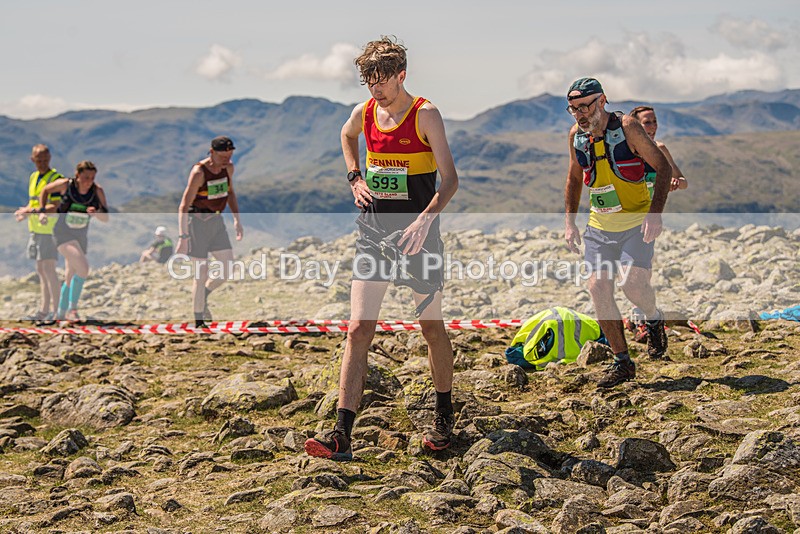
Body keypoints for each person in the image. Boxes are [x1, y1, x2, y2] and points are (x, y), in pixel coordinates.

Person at [304, 37, 459, 460]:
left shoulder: (425, 114)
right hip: (373, 234)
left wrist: (426, 221)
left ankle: (444, 416)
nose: (375, 88)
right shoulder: (365, 113)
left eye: (382, 80)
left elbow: (450, 180)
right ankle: (341, 435)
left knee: (430, 328)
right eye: (368, 80)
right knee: (358, 329)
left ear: (401, 75)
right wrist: (354, 176)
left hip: (418, 236)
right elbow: (346, 133)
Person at [563, 78, 672, 388]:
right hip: (599, 226)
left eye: (585, 106)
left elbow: (662, 167)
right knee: (598, 287)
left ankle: (652, 317)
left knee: (633, 285)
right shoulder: (576, 136)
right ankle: (622, 361)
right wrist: (570, 222)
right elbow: (573, 179)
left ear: (602, 101)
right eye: (573, 109)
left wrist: (655, 213)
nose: (580, 115)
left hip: (636, 222)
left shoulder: (627, 128)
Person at [175, 136, 243, 328]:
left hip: (216, 221)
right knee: (201, 273)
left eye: (230, 156)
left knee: (227, 267)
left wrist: (237, 219)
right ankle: (199, 320)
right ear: (212, 152)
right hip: (196, 223)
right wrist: (183, 236)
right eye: (223, 157)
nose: (227, 161)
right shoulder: (199, 173)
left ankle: (203, 294)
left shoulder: (228, 168)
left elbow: (229, 193)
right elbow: (183, 206)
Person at [38, 160, 109, 322]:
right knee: (83, 268)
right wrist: (42, 211)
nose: (88, 182)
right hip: (62, 233)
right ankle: (73, 310)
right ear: (77, 175)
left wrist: (96, 213)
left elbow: (106, 217)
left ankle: (60, 315)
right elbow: (45, 190)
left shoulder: (97, 191)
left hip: (80, 236)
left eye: (92, 178)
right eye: (85, 178)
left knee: (71, 274)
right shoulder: (65, 185)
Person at [13, 145, 64, 323]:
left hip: (50, 230)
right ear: (32, 159)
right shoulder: (34, 177)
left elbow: (55, 206)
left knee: (49, 270)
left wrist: (33, 211)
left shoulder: (55, 179)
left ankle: (57, 312)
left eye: (45, 160)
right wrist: (25, 211)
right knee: (42, 270)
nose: (42, 164)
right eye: (39, 160)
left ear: (49, 159)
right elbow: (34, 202)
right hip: (36, 229)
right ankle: (44, 311)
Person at [629, 106, 689, 194]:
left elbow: (684, 183)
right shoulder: (625, 149)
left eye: (654, 121)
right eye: (647, 122)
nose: (653, 126)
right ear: (635, 126)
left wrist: (674, 182)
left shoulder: (660, 148)